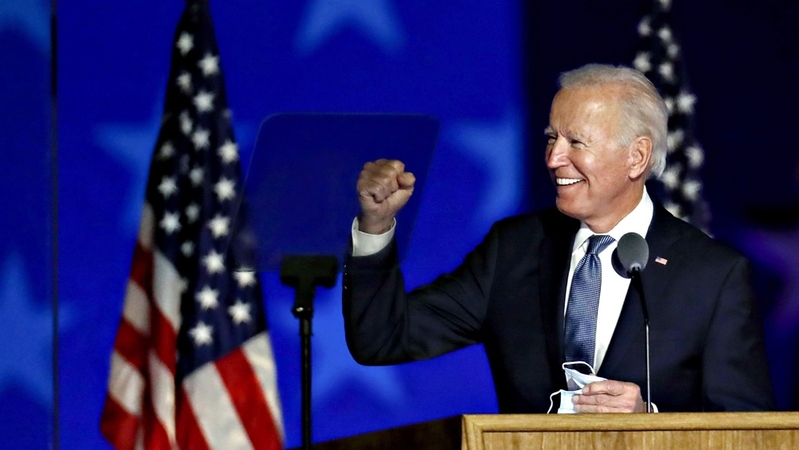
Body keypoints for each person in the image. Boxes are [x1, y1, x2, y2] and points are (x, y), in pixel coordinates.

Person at [343, 63, 774, 413]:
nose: (553, 158)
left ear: (636, 156)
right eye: (551, 138)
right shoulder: (513, 250)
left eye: (576, 141)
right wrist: (375, 227)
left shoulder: (712, 275)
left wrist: (651, 421)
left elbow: (748, 431)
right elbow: (383, 339)